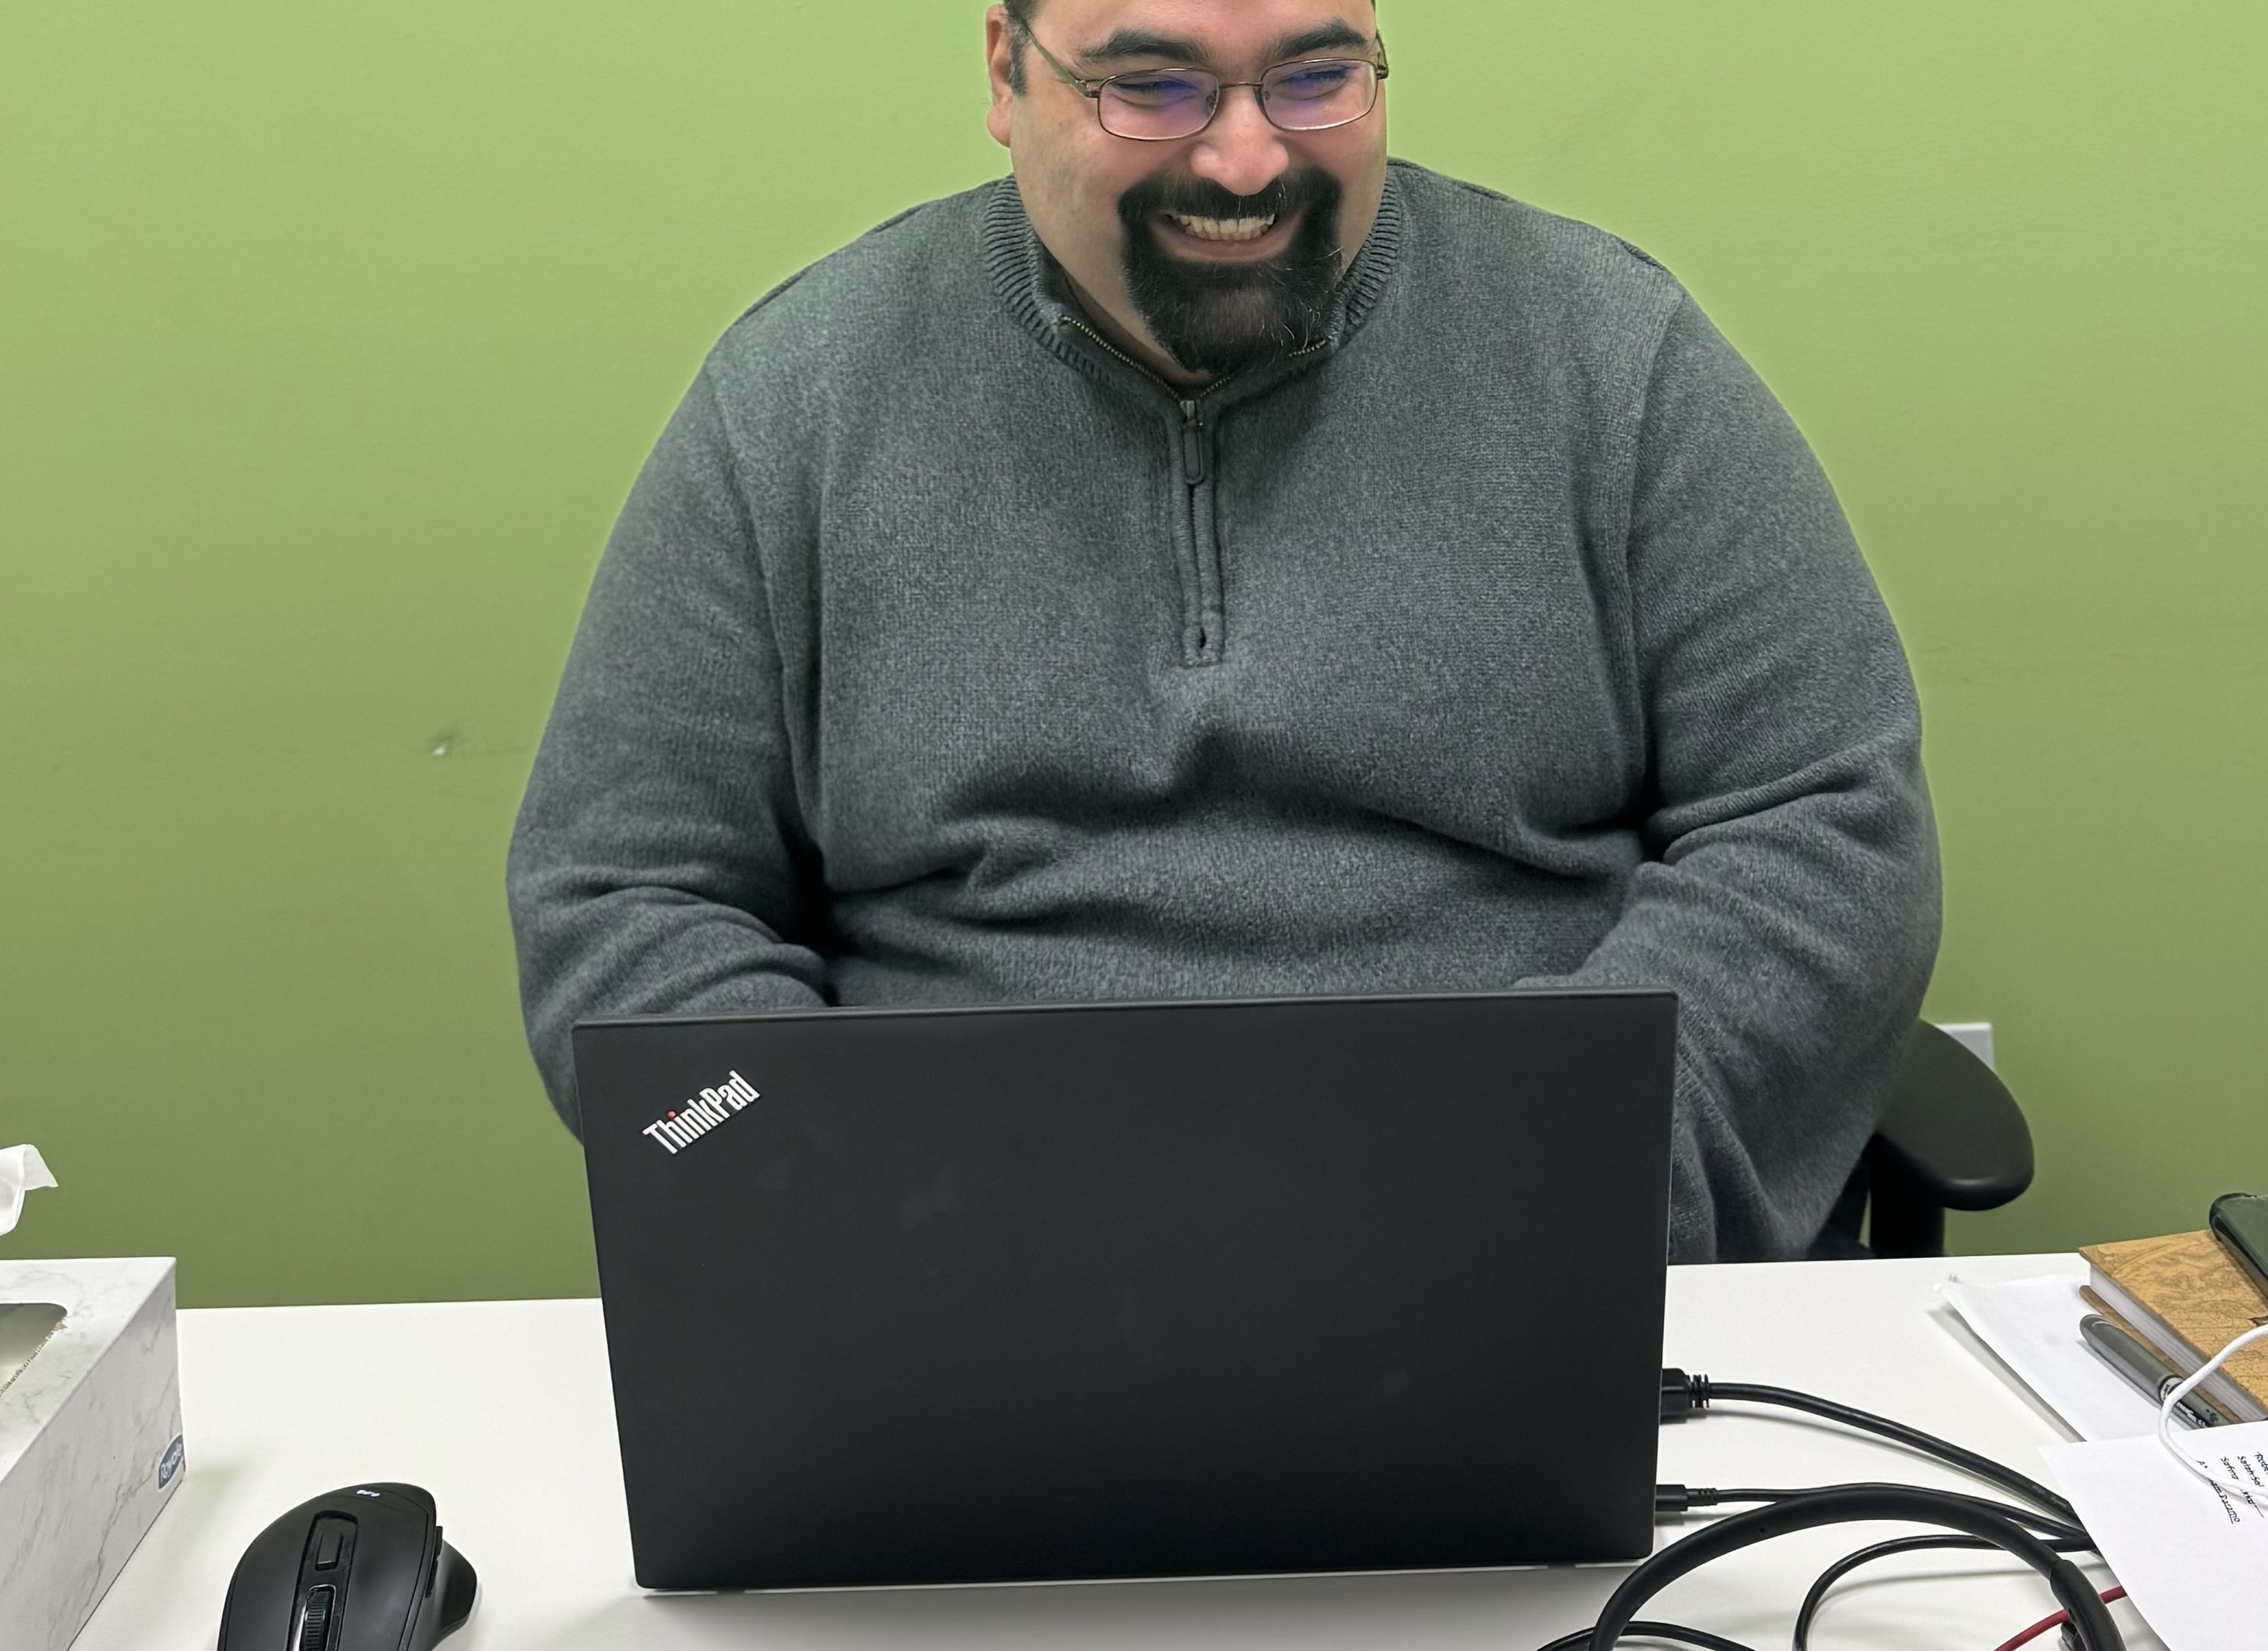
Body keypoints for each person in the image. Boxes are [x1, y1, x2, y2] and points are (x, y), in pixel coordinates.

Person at [507, 0, 1940, 1262]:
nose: (1247, 160)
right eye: (1155, 84)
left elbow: (1826, 825)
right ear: (1007, 74)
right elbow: (626, 893)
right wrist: (814, 1187)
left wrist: (1596, 1159)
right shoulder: (796, 400)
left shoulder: (1611, 357)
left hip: (1525, 1239)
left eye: (1316, 75)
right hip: (948, 1264)